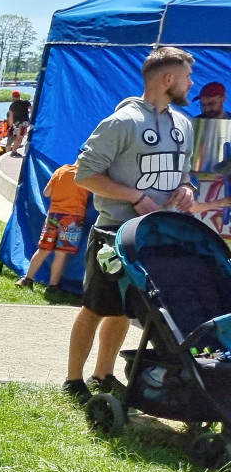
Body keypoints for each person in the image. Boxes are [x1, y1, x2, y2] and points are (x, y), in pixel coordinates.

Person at [65, 46, 196, 400]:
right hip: (114, 234)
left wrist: (185, 188)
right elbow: (85, 175)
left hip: (158, 236)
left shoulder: (183, 124)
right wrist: (134, 197)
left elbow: (184, 174)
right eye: (187, 77)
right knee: (95, 308)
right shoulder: (121, 122)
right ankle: (73, 380)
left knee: (124, 311)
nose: (191, 83)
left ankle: (103, 375)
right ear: (168, 79)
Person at [15, 163, 90, 294]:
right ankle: (53, 286)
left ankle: (27, 279)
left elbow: (46, 192)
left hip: (54, 216)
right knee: (61, 253)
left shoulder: (61, 170)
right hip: (73, 218)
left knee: (43, 249)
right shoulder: (87, 175)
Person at [5, 89, 32, 156]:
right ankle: (14, 151)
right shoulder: (26, 102)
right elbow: (32, 109)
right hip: (24, 123)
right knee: (20, 137)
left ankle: (14, 151)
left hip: (17, 123)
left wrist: (11, 124)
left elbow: (10, 115)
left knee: (19, 137)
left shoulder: (12, 105)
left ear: (13, 97)